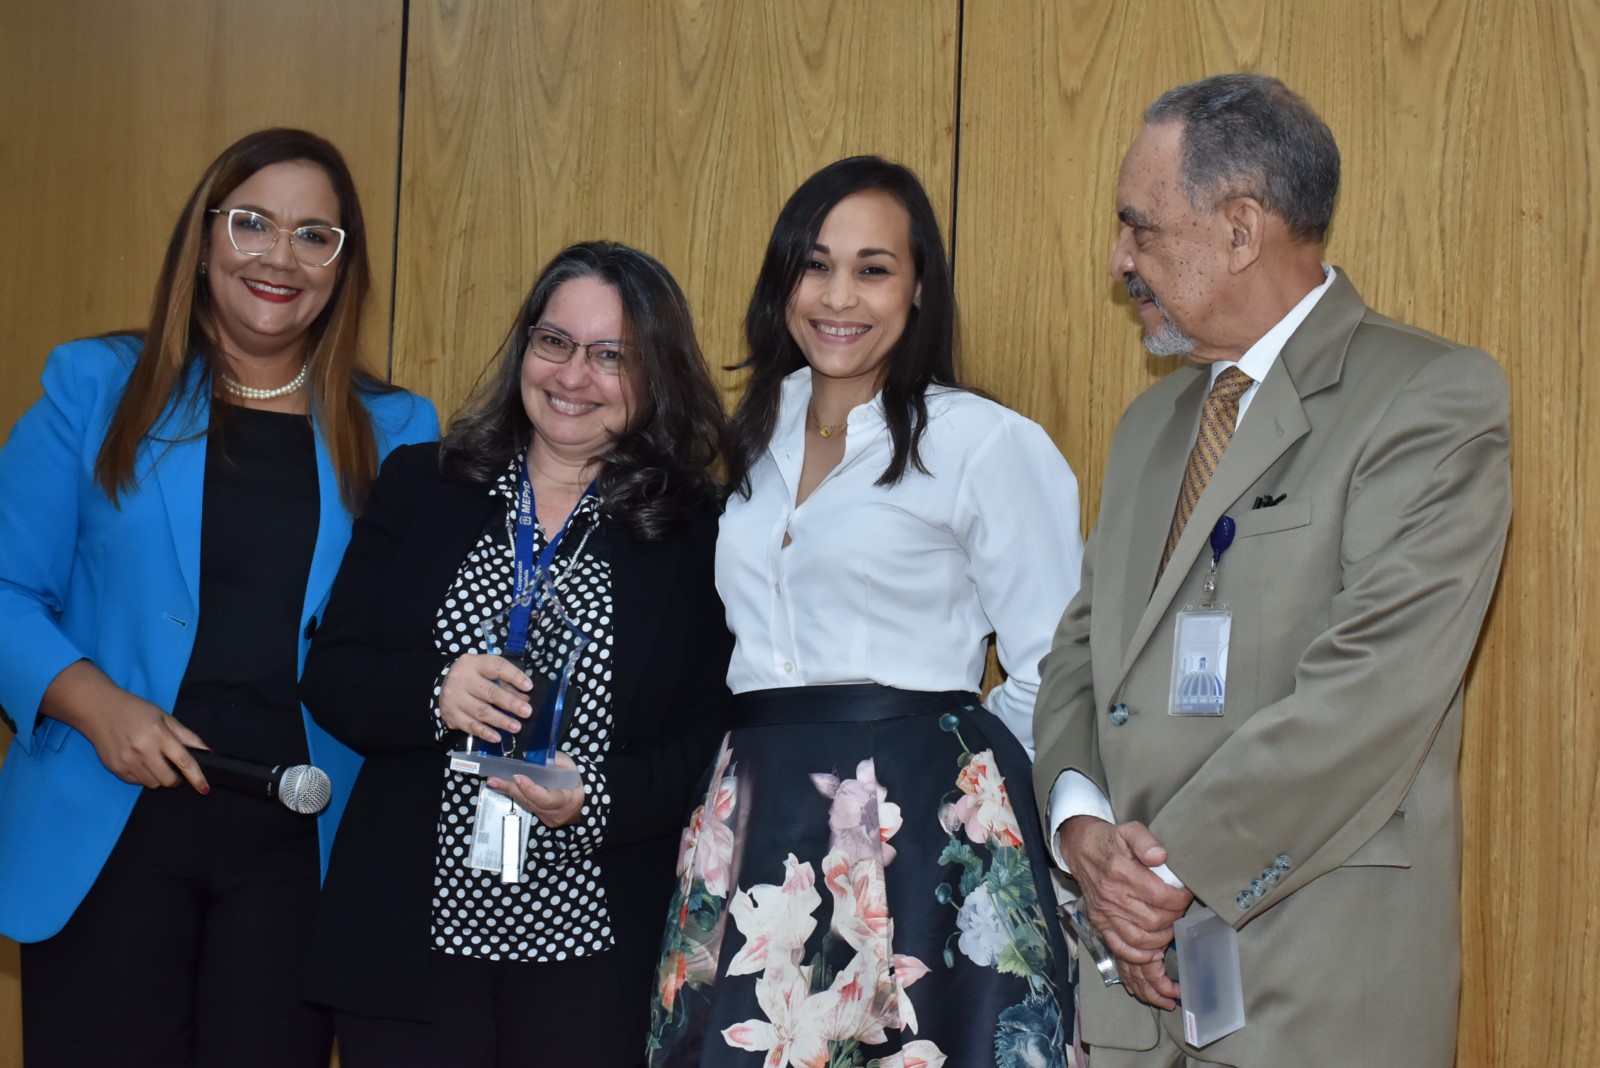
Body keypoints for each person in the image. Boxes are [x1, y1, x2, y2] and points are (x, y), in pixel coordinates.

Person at [1032, 73, 1512, 1067]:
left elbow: (1371, 692)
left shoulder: (1426, 398)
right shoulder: (1148, 426)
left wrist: (1166, 874)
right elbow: (1080, 656)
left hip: (1312, 985)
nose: (1120, 257)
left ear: (1241, 230)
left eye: (1140, 227)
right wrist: (1081, 830)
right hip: (1130, 999)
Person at [0, 129, 439, 1067]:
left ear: (342, 265)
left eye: (314, 235)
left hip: (300, 847)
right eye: (252, 224)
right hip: (112, 824)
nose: (280, 257)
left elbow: (401, 648)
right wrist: (96, 704)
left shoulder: (399, 432)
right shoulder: (96, 388)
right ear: (202, 242)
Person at [649, 156, 1085, 1068]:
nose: (838, 295)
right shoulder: (749, 434)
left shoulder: (984, 443)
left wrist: (951, 772)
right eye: (814, 264)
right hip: (751, 816)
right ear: (783, 282)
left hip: (915, 832)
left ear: (919, 287)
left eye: (874, 268)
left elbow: (1061, 666)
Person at [297, 240, 733, 1066]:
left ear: (656, 376)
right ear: (524, 348)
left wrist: (597, 800)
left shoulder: (696, 532)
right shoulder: (424, 486)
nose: (574, 376)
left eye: (612, 356)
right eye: (554, 342)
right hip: (410, 935)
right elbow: (334, 671)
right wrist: (436, 694)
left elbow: (709, 740)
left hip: (593, 938)